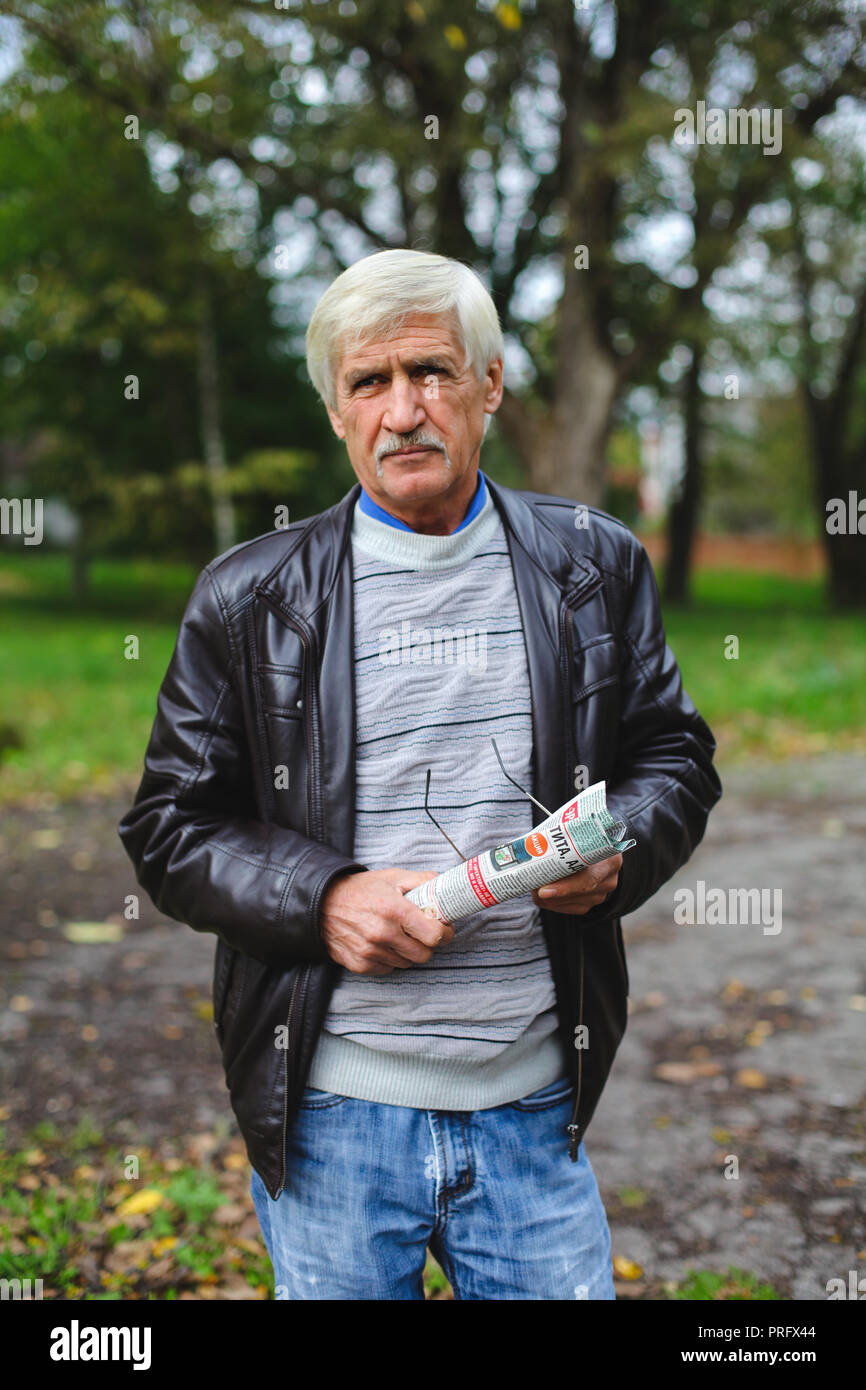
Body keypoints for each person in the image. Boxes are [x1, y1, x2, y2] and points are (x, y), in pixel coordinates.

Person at [118, 248, 721, 1300]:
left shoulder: (592, 562)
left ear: (488, 384)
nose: (403, 410)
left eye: (431, 372)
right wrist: (325, 896)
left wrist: (616, 845)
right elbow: (171, 826)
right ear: (335, 410)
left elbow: (671, 757)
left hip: (533, 1105)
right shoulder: (248, 596)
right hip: (333, 1117)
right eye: (368, 382)